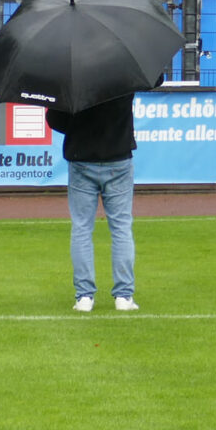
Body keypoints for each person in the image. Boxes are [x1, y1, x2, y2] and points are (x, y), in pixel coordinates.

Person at [46, 95, 141, 312]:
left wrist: (78, 124)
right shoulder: (123, 73)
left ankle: (84, 297)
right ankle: (124, 296)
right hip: (117, 158)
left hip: (82, 157)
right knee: (121, 228)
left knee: (81, 228)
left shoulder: (72, 80)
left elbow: (55, 120)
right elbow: (156, 79)